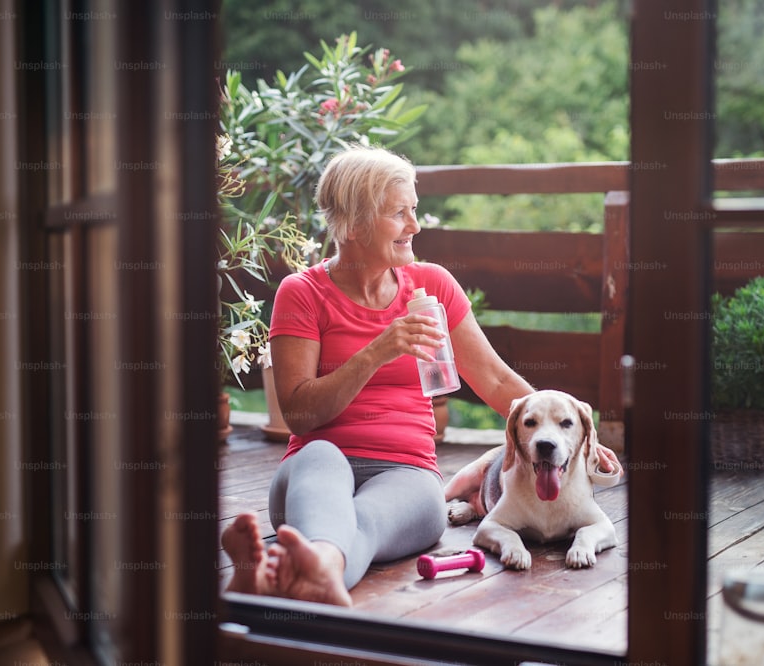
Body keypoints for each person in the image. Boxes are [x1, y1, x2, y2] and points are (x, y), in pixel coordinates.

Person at [220, 145, 536, 606]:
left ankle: (301, 573)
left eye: (414, 210)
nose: (415, 225)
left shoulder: (433, 286)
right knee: (323, 458)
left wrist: (569, 426)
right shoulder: (303, 293)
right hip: (316, 464)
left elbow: (494, 379)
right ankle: (308, 572)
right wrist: (378, 351)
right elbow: (300, 415)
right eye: (399, 213)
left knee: (366, 520)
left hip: (407, 471)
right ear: (353, 224)